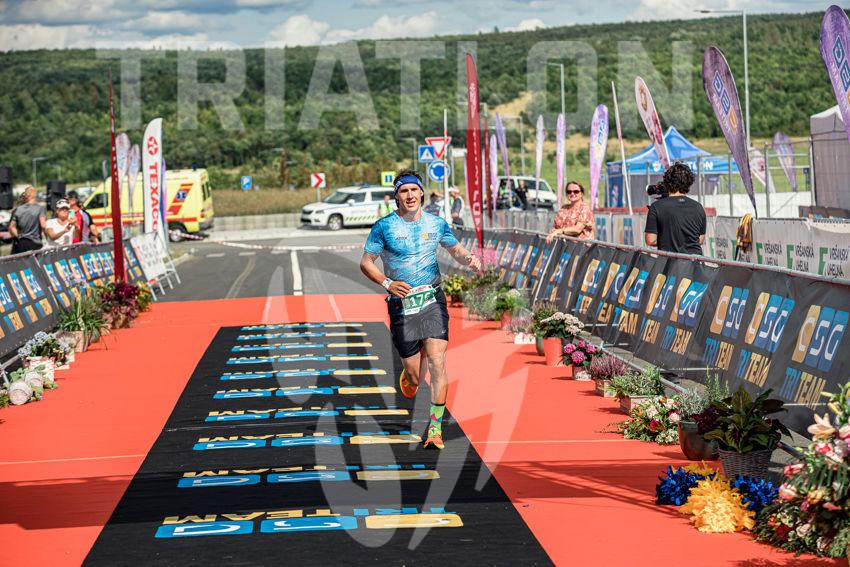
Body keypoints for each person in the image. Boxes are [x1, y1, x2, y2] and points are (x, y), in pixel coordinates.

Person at [360, 169, 482, 450]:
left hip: (432, 299)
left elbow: (456, 250)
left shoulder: (437, 224)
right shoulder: (384, 227)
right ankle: (410, 374)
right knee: (415, 377)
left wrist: (469, 259)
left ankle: (435, 429)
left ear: (422, 193)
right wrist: (387, 283)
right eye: (404, 191)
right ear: (397, 196)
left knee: (438, 362)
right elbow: (366, 262)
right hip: (402, 303)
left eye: (414, 190)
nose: (410, 195)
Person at [644, 162, 706, 255]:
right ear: (689, 182)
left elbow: (650, 240)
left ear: (667, 181)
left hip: (669, 262)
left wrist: (667, 241)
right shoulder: (698, 207)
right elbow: (700, 239)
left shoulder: (657, 207)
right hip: (695, 261)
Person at [9, 186, 46, 254]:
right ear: (34, 195)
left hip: (21, 243)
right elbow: (43, 225)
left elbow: (11, 227)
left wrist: (18, 236)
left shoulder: (18, 209)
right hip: (35, 243)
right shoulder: (40, 208)